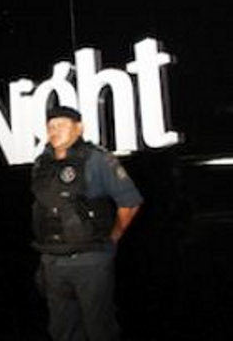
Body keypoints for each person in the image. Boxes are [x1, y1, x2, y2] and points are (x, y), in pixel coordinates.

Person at [31, 106, 143, 341]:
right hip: (52, 260)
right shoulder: (42, 162)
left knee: (99, 330)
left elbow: (130, 203)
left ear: (79, 128)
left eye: (62, 125)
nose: (55, 130)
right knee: (62, 330)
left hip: (89, 260)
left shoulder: (97, 159)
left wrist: (112, 238)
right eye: (51, 126)